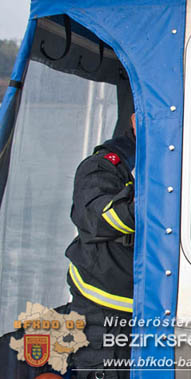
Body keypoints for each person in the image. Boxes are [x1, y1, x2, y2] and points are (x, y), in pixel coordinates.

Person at [64, 113, 137, 378]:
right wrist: (149, 198)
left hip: (157, 307)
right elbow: (100, 217)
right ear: (135, 121)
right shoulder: (104, 165)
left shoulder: (179, 163)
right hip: (105, 312)